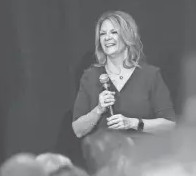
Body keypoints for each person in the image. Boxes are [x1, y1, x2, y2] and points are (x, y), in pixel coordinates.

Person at [72, 10, 176, 139]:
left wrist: (133, 123)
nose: (107, 37)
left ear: (127, 36)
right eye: (102, 34)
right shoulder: (90, 77)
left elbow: (169, 125)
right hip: (104, 157)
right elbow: (78, 130)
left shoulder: (150, 75)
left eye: (114, 32)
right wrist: (98, 110)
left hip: (144, 156)